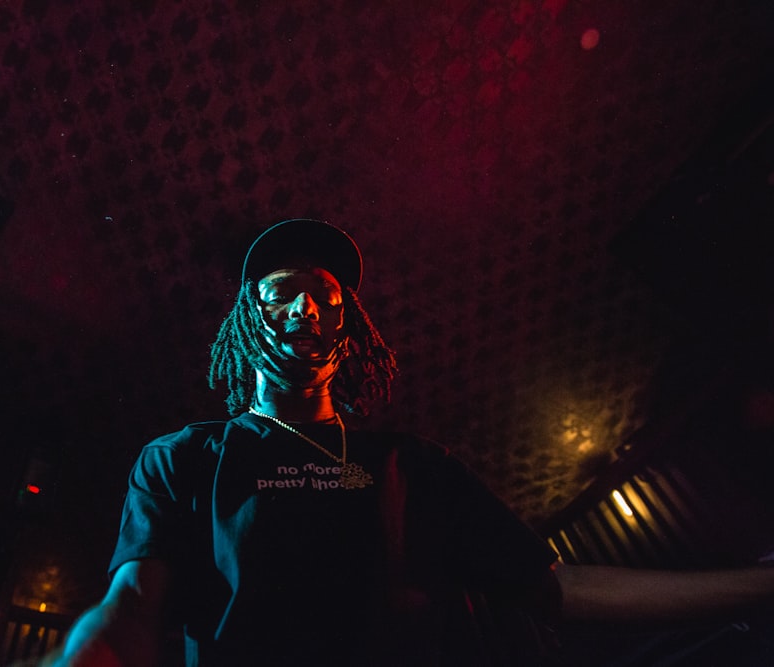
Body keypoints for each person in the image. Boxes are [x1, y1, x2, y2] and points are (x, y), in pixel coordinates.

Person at [50, 219, 774, 667]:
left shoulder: (411, 464)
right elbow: (132, 606)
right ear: (247, 317)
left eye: (326, 293)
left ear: (348, 323)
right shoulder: (182, 457)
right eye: (284, 290)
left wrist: (759, 583)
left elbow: (556, 586)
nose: (307, 303)